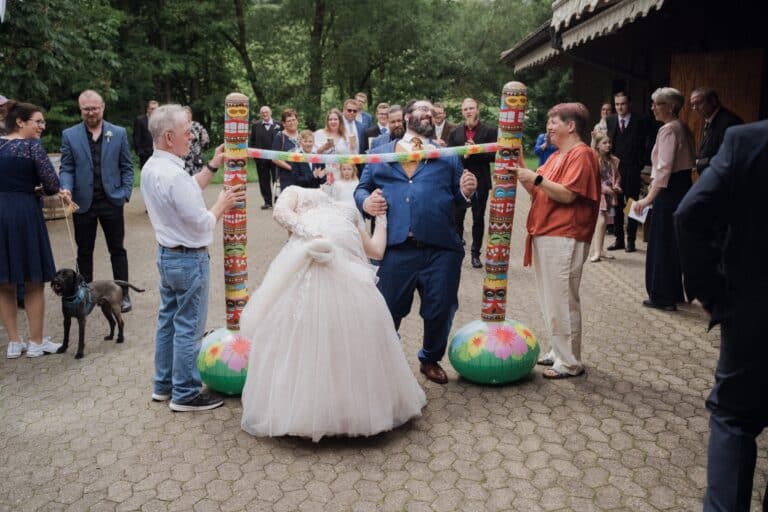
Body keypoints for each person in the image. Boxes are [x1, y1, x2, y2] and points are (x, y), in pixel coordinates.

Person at [240, 185, 426, 442]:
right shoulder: (296, 190)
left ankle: (348, 410)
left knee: (347, 342)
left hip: (349, 276)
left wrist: (382, 219)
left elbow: (375, 251)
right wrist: (312, 235)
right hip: (309, 268)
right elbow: (280, 213)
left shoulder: (349, 209)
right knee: (307, 340)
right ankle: (305, 411)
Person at [674, 119, 768, 512]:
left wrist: (711, 293)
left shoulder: (750, 140)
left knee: (732, 418)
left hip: (752, 312)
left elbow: (690, 214)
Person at [355, 99, 478, 384]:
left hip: (441, 248)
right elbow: (361, 189)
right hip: (396, 247)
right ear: (407, 116)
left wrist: (467, 192)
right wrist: (367, 202)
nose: (428, 113)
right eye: (421, 109)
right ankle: (386, 358)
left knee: (441, 307)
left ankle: (430, 358)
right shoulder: (380, 152)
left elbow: (460, 196)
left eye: (431, 111)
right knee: (388, 308)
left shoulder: (447, 154)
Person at [141, 104, 245, 412]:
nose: (193, 138)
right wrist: (221, 205)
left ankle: (163, 386)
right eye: (188, 133)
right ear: (170, 137)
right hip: (188, 260)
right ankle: (185, 393)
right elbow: (200, 222)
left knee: (168, 322)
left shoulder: (152, 167)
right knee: (188, 326)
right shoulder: (173, 175)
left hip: (167, 256)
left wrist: (212, 166)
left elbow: (187, 192)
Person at [511, 102, 600, 379]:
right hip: (547, 232)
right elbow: (536, 190)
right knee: (550, 299)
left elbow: (568, 195)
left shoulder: (582, 154)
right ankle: (559, 350)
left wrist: (535, 178)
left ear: (570, 126)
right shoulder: (556, 156)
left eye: (554, 122)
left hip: (565, 235)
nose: (548, 128)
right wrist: (521, 162)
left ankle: (570, 361)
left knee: (562, 299)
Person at [59, 90, 135, 313]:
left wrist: (124, 194)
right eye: (86, 109)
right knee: (84, 251)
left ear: (103, 107)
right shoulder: (69, 135)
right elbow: (67, 168)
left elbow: (127, 167)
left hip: (112, 201)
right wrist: (66, 188)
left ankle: (123, 296)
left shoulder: (118, 133)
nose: (91, 112)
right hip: (82, 202)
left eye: (94, 108)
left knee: (117, 250)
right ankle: (85, 296)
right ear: (80, 109)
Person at [0, 101, 64, 358]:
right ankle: (36, 342)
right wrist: (36, 188)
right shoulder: (31, 148)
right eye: (38, 121)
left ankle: (14, 343)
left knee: (4, 281)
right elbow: (51, 184)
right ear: (20, 122)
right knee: (34, 280)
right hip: (24, 213)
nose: (42, 126)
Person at [632, 87, 695, 311]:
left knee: (661, 242)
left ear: (669, 107)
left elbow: (664, 168)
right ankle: (674, 291)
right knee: (672, 242)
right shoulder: (683, 127)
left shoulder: (668, 130)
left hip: (669, 191)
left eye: (656, 104)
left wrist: (647, 198)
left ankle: (662, 296)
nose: (652, 108)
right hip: (682, 187)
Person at [447, 98, 497, 269]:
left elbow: (495, 156)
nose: (468, 111)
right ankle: (456, 252)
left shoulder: (489, 131)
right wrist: (464, 155)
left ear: (477, 109)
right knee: (457, 218)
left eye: (471, 108)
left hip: (481, 182)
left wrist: (475, 151)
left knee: (478, 218)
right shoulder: (455, 133)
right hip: (459, 182)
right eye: (465, 109)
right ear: (462, 112)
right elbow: (450, 156)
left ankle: (476, 254)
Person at [606, 91, 653, 253]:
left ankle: (631, 240)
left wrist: (640, 163)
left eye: (623, 104)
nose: (620, 107)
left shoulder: (640, 121)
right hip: (615, 170)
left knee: (632, 204)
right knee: (616, 204)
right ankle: (619, 239)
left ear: (629, 104)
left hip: (633, 168)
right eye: (617, 104)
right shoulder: (610, 120)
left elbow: (648, 143)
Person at [690, 87, 743, 177]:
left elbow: (728, 156)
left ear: (713, 101)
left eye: (698, 103)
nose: (695, 108)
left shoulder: (728, 121)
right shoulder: (710, 119)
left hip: (723, 178)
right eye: (693, 105)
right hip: (712, 175)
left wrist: (699, 162)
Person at [589, 133, 621, 262]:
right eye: (604, 143)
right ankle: (596, 251)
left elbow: (618, 176)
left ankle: (601, 250)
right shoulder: (594, 160)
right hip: (599, 194)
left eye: (609, 142)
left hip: (610, 195)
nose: (608, 145)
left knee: (605, 223)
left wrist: (617, 185)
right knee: (601, 221)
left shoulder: (613, 160)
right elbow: (591, 179)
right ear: (597, 145)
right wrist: (605, 189)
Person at [249, 105, 282, 210]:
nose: (264, 114)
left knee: (277, 180)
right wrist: (255, 157)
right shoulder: (256, 125)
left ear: (270, 113)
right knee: (263, 180)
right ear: (260, 114)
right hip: (261, 159)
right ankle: (267, 202)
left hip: (276, 158)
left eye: (266, 112)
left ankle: (278, 200)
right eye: (262, 112)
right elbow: (252, 141)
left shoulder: (279, 125)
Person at [313, 108, 351, 179]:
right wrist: (323, 148)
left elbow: (350, 155)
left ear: (340, 121)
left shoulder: (346, 136)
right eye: (330, 119)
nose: (333, 121)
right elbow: (312, 154)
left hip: (341, 174)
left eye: (335, 119)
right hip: (323, 174)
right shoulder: (319, 133)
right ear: (327, 122)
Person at [271, 108, 301, 197]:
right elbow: (274, 158)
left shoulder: (302, 136)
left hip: (302, 177)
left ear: (297, 121)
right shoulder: (280, 136)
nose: (292, 122)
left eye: (293, 120)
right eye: (289, 121)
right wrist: (291, 168)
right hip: (287, 177)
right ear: (284, 124)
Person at [182, 106, 209, 176]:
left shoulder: (197, 125)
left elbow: (205, 141)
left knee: (197, 181)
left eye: (188, 113)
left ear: (191, 114)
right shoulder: (179, 126)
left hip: (195, 157)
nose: (186, 115)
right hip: (183, 157)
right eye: (184, 113)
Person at [133, 99, 158, 168]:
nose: (154, 111)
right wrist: (140, 152)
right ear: (148, 109)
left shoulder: (160, 121)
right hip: (145, 155)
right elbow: (136, 137)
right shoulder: (140, 120)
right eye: (152, 109)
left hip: (158, 154)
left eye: (156, 109)